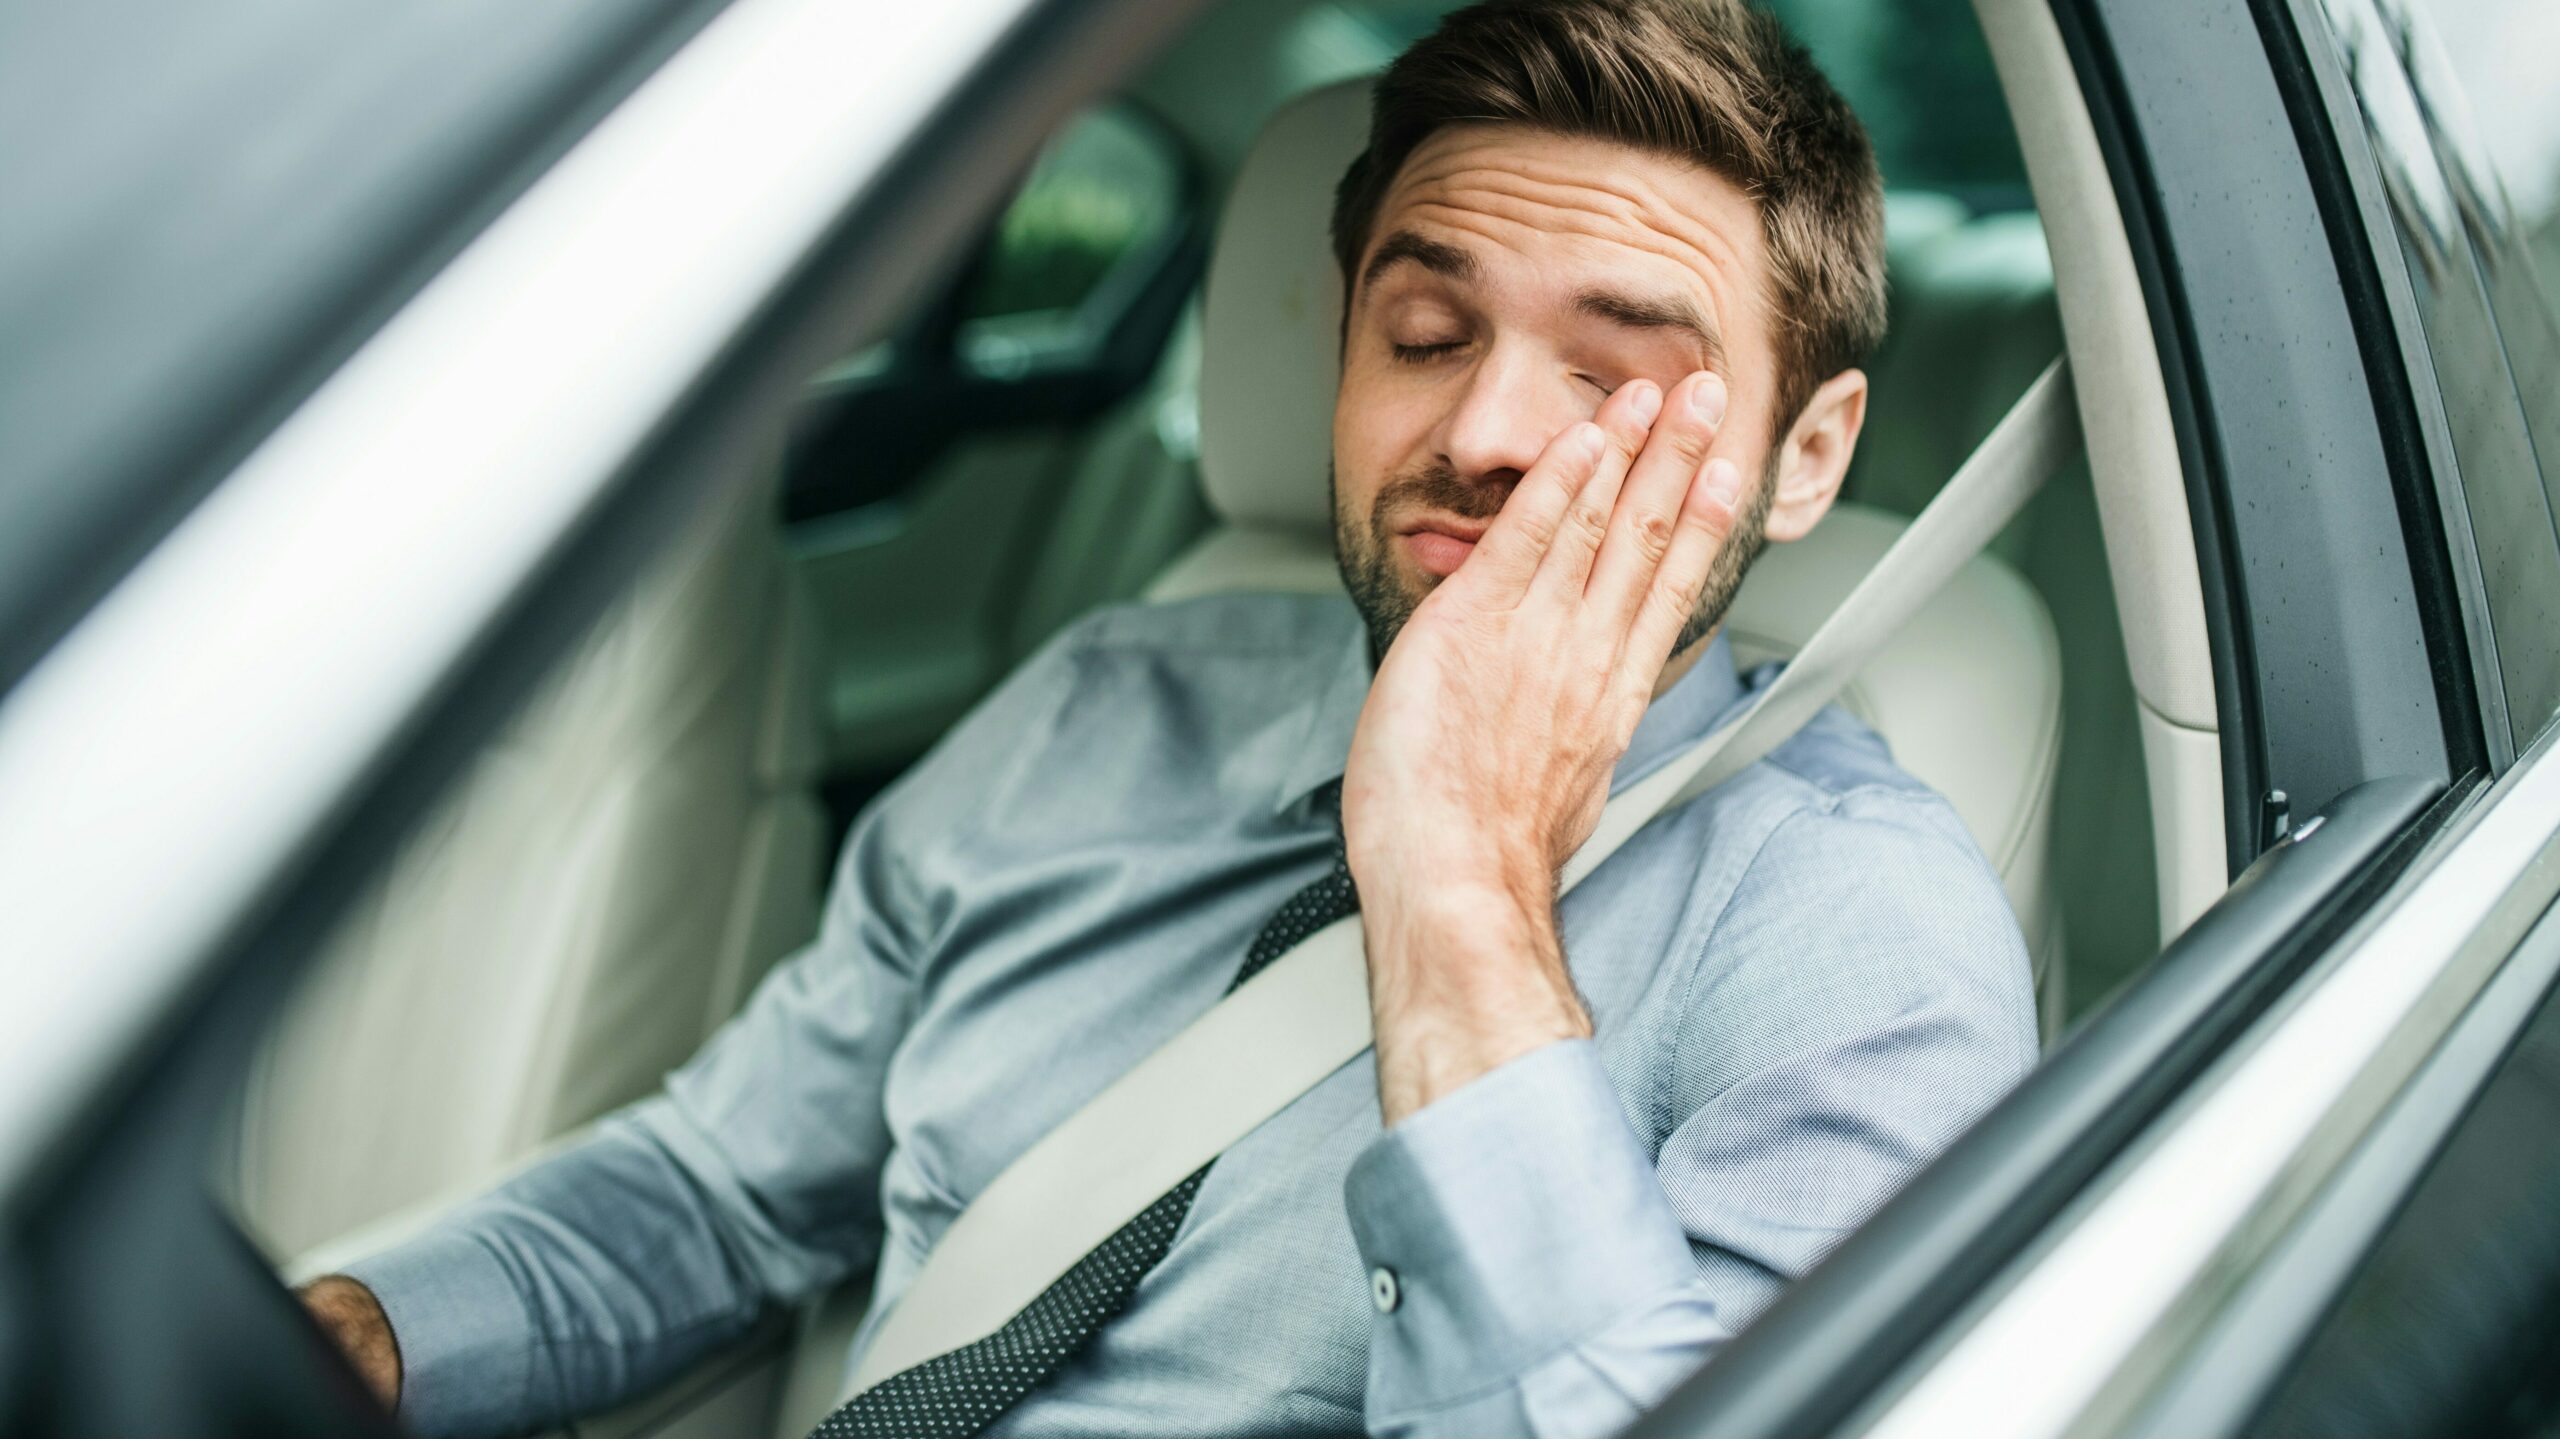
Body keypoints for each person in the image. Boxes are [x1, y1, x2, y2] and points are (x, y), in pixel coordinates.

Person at [299, 0, 2038, 1434]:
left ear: (1808, 457)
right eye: (1425, 330)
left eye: (1609, 370)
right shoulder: (1106, 707)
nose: (1492, 426)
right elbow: (718, 1188)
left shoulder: (1854, 936)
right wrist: (363, 1335)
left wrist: (1458, 893)